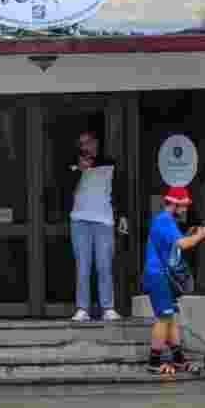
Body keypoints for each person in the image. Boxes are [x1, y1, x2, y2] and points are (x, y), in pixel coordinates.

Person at [142, 186, 205, 375]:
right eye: (184, 205)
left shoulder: (167, 221)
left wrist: (189, 234)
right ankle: (154, 362)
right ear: (175, 204)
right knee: (164, 318)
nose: (186, 209)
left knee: (170, 319)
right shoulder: (164, 220)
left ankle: (179, 360)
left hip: (163, 276)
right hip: (159, 276)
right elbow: (182, 244)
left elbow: (175, 244)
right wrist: (199, 236)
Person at [65, 125, 128, 322]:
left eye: (89, 143)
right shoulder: (73, 165)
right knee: (83, 265)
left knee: (104, 265)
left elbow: (119, 190)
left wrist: (123, 216)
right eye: (82, 144)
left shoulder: (110, 164)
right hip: (79, 220)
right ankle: (82, 308)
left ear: (96, 144)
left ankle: (107, 307)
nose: (86, 147)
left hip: (104, 220)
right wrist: (78, 170)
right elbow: (63, 190)